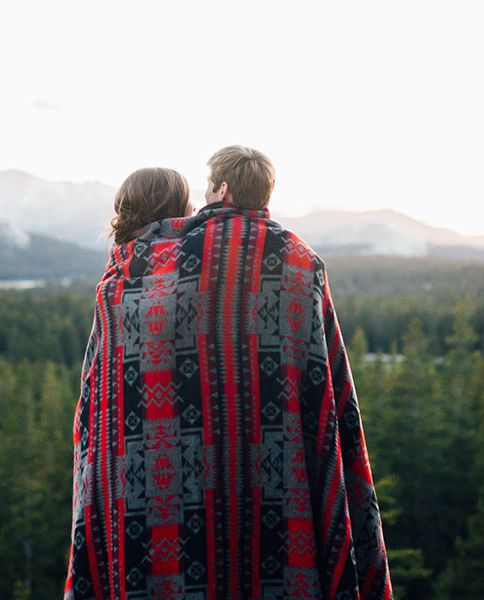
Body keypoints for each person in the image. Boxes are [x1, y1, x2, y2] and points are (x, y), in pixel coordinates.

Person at [64, 148, 392, 599]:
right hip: (275, 478)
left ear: (222, 189)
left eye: (205, 192)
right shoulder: (300, 259)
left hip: (156, 503)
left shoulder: (141, 271)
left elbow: (101, 418)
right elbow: (323, 384)